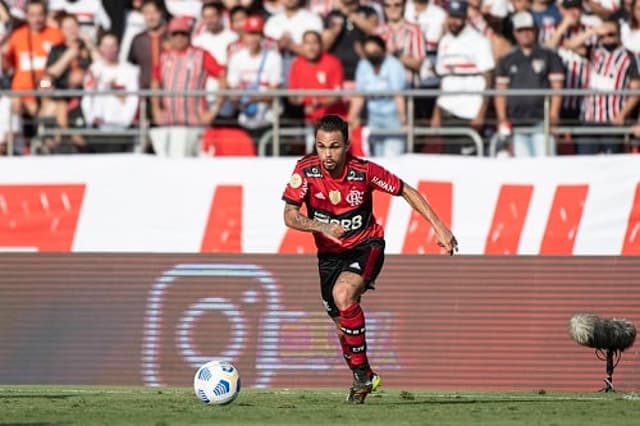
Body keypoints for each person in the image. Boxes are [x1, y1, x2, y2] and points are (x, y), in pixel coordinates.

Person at [281, 114, 458, 403]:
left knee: (343, 293)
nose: (327, 154)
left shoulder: (363, 171)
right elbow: (289, 216)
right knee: (341, 327)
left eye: (334, 146)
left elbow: (406, 191)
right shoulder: (305, 170)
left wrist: (439, 226)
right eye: (321, 146)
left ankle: (362, 376)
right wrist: (323, 226)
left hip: (366, 245)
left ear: (347, 146)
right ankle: (363, 375)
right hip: (328, 256)